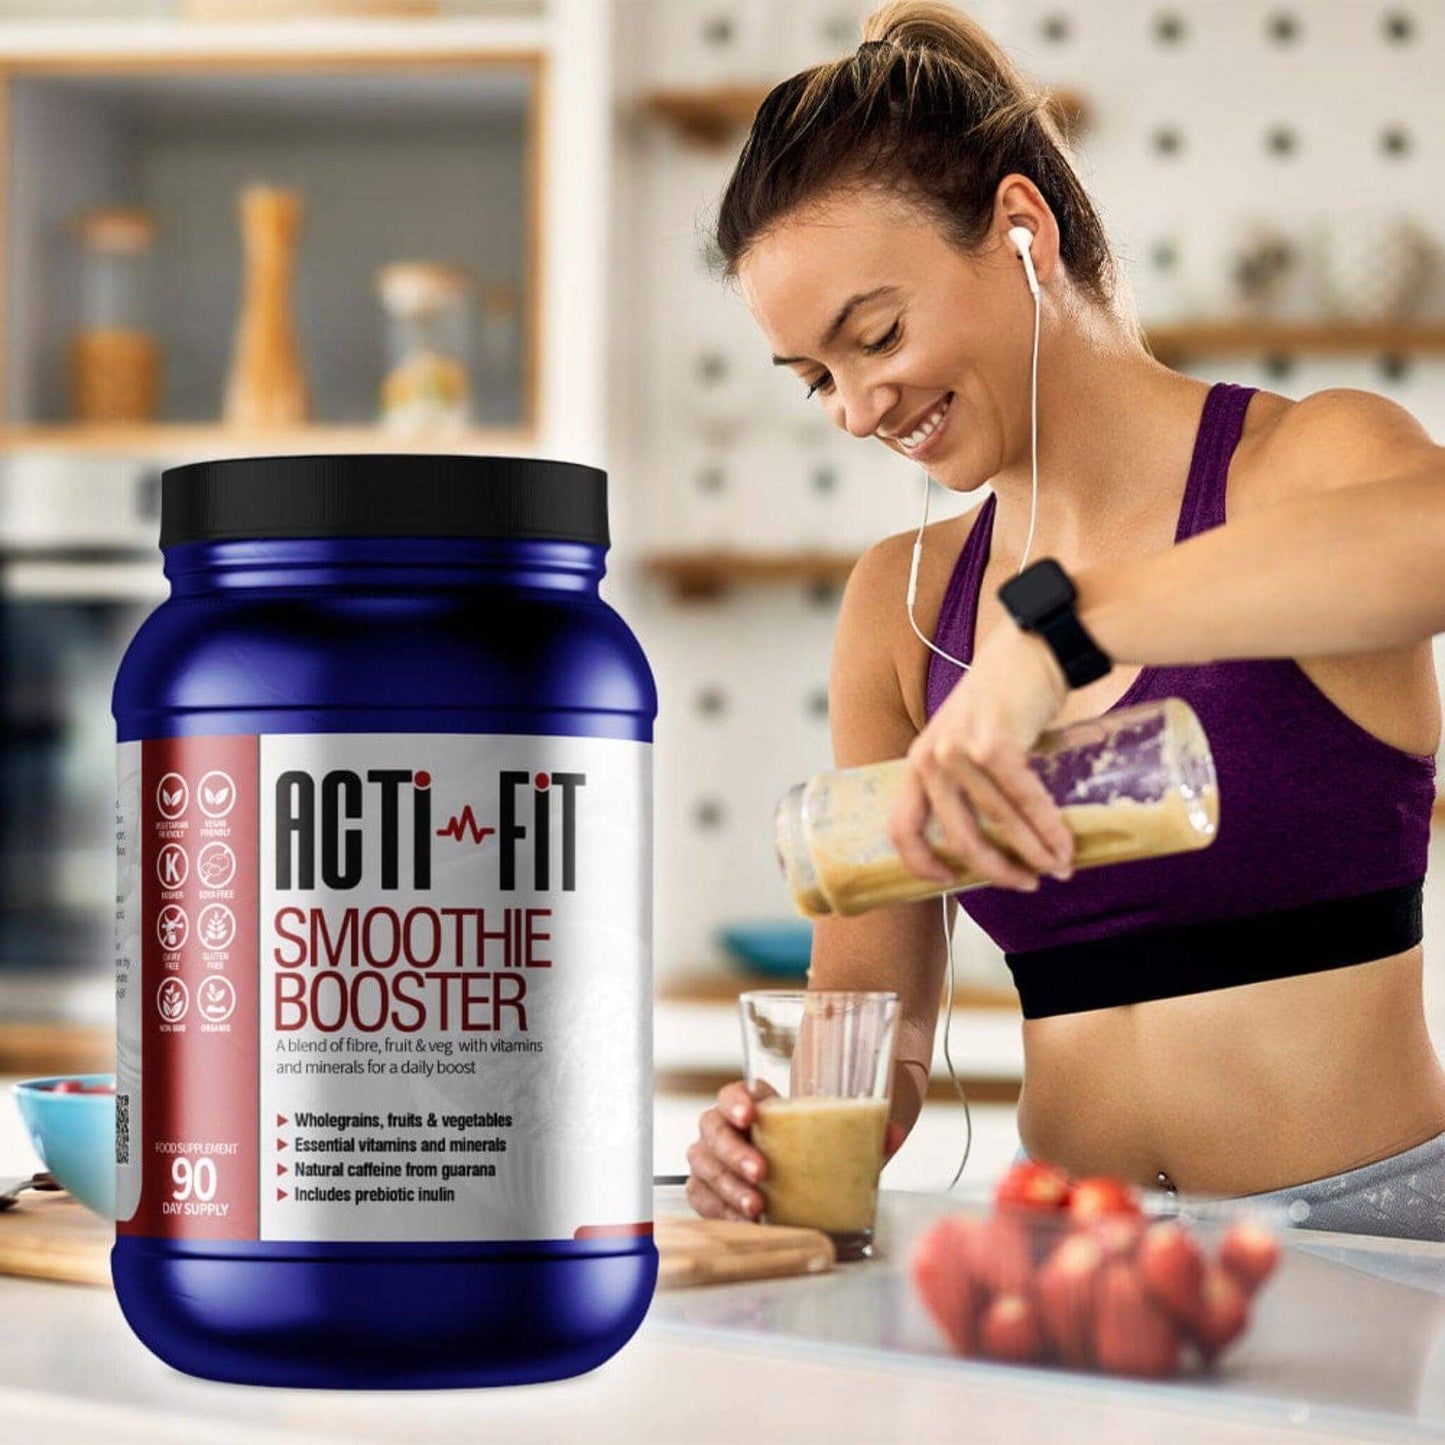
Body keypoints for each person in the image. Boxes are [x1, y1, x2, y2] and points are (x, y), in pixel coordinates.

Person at [684, 0, 1445, 1240]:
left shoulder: (1303, 465)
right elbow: (876, 1035)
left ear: (1019, 227)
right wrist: (785, 1134)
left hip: (1376, 1244)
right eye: (816, 376)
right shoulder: (906, 604)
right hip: (1072, 1259)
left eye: (874, 334)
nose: (854, 408)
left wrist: (1057, 634)